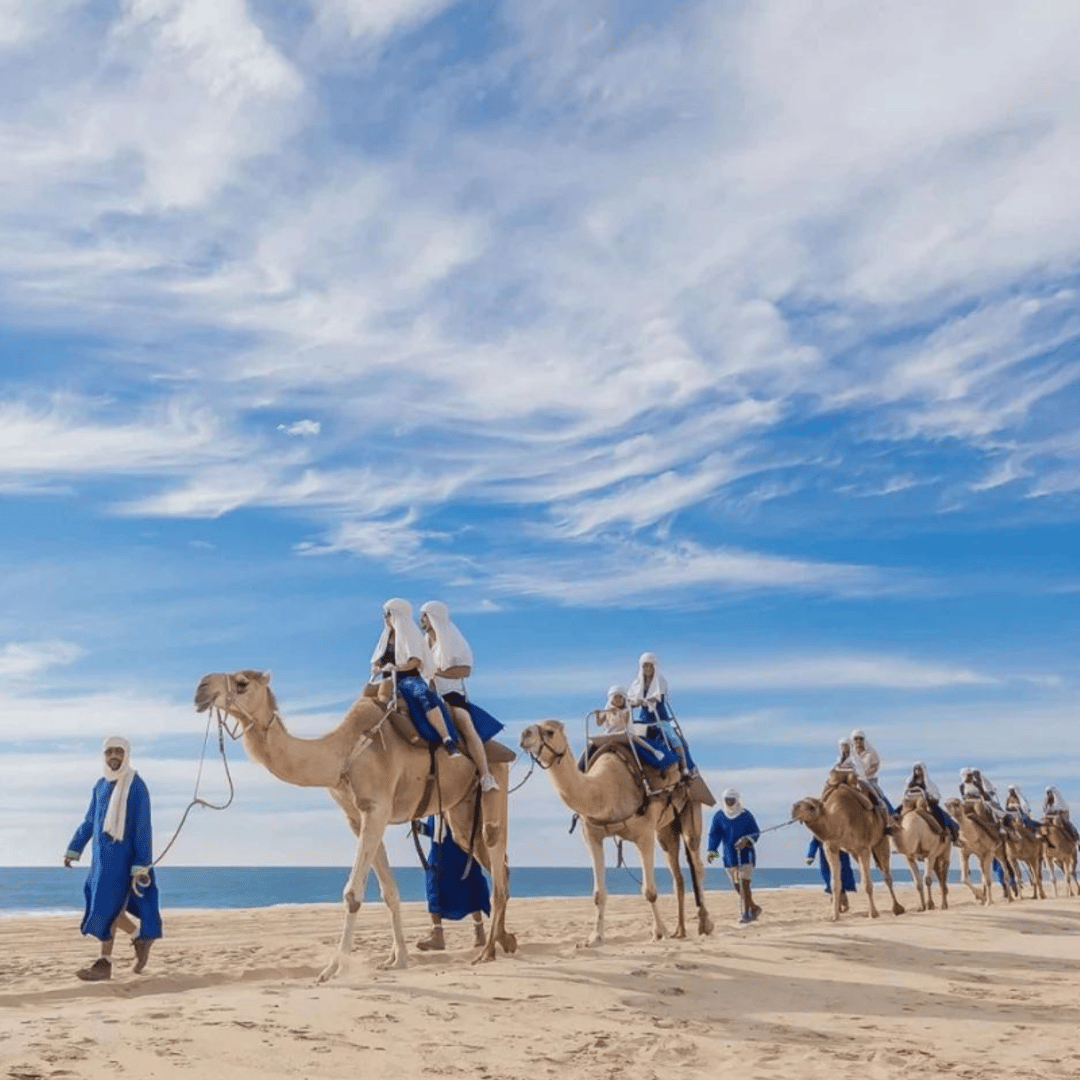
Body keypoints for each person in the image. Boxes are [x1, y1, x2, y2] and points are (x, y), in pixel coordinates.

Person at [63, 737, 162, 981]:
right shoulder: (100, 786)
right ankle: (139, 936)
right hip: (101, 861)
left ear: (126, 754)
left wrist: (141, 864)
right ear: (104, 755)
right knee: (109, 908)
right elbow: (89, 821)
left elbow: (143, 827)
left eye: (119, 751)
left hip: (126, 860)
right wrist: (74, 848)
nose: (114, 755)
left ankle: (104, 963)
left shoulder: (137, 785)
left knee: (107, 909)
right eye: (110, 751)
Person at [419, 600, 503, 793]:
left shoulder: (453, 640)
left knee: (464, 722)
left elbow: (464, 670)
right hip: (428, 695)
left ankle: (485, 775)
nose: (421, 620)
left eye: (425, 616)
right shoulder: (423, 643)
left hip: (451, 694)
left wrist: (438, 673)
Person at [370, 598, 458, 755]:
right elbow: (375, 662)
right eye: (384, 614)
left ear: (396, 615)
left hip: (407, 678)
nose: (385, 618)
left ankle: (447, 739)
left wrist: (396, 668)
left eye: (387, 614)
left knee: (423, 695)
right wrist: (379, 668)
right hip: (386, 680)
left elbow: (414, 661)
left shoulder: (410, 634)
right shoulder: (385, 637)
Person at [413, 816, 490, 951]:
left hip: (460, 852)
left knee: (470, 886)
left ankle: (479, 932)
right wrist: (419, 827)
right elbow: (433, 831)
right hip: (439, 855)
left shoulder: (458, 802)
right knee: (434, 889)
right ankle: (437, 936)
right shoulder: (435, 810)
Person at [628, 652, 695, 775]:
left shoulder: (660, 681)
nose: (647, 669)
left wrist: (648, 700)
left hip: (659, 717)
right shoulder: (637, 683)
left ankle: (684, 767)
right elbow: (630, 699)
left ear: (655, 667)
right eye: (645, 666)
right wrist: (636, 702)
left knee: (674, 739)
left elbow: (658, 697)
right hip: (644, 719)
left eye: (650, 666)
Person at [706, 789, 761, 924]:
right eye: (727, 800)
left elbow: (756, 832)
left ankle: (747, 913)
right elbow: (714, 834)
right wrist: (712, 850)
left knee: (744, 884)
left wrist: (746, 840)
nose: (729, 802)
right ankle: (754, 908)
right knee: (737, 886)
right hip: (730, 856)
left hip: (746, 855)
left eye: (732, 800)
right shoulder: (719, 816)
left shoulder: (746, 815)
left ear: (737, 800)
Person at [904, 762, 960, 842]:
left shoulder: (928, 783)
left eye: (919, 769)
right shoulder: (910, 782)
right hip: (911, 801)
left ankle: (944, 831)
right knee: (897, 813)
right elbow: (905, 792)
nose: (917, 771)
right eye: (916, 769)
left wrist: (929, 796)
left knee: (939, 814)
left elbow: (934, 794)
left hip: (924, 802)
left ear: (923, 770)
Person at [851, 729, 894, 814]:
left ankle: (891, 813)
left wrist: (864, 775)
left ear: (864, 740)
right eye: (856, 739)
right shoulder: (851, 756)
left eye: (861, 738)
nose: (858, 741)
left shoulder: (870, 754)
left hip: (869, 780)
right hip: (853, 781)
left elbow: (875, 767)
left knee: (877, 793)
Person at [805, 836, 855, 910]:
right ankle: (836, 902)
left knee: (843, 878)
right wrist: (810, 855)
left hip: (841, 856)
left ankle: (842, 901)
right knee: (830, 879)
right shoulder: (820, 830)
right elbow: (815, 841)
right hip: (826, 858)